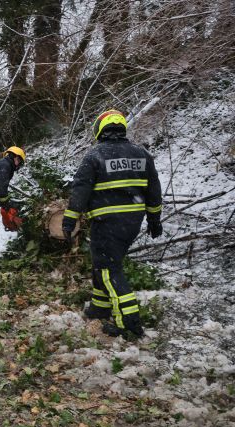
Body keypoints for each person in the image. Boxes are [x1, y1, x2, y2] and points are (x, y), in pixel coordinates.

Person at [62, 109, 163, 338]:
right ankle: (100, 305)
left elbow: (80, 190)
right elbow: (153, 190)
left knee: (108, 268)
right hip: (131, 223)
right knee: (103, 262)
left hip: (106, 222)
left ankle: (128, 322)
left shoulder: (95, 155)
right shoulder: (142, 154)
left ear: (100, 129)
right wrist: (154, 219)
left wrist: (69, 220)